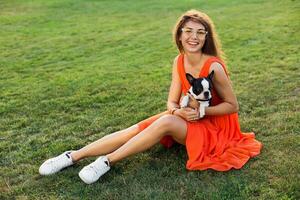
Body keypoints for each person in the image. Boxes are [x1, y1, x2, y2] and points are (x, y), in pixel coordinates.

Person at [39, 9, 262, 184]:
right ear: (180, 35)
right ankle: (73, 156)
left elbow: (233, 106)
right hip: (184, 119)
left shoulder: (214, 66)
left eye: (200, 32)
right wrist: (178, 111)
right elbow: (171, 101)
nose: (193, 37)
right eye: (188, 31)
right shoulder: (179, 61)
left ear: (206, 37)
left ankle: (106, 161)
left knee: (164, 121)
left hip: (216, 131)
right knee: (139, 127)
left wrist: (200, 111)